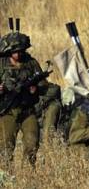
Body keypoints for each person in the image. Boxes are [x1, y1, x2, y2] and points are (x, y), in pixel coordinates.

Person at [0, 31, 49, 166]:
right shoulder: (1, 64)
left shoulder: (31, 63)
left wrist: (36, 89)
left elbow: (44, 84)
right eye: (16, 51)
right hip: (7, 112)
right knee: (5, 148)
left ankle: (28, 174)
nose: (19, 53)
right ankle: (6, 180)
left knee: (32, 143)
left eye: (22, 50)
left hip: (28, 111)